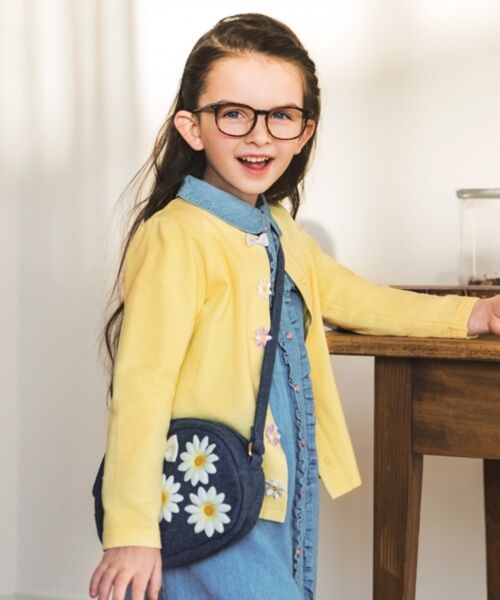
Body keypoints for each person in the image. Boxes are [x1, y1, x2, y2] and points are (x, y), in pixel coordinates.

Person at [88, 12, 500, 600]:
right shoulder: (176, 236)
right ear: (192, 128)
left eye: (281, 116)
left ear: (304, 132)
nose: (259, 135)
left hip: (276, 489)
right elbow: (142, 386)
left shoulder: (277, 229)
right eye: (234, 113)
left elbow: (353, 297)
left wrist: (470, 315)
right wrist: (131, 530)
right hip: (209, 491)